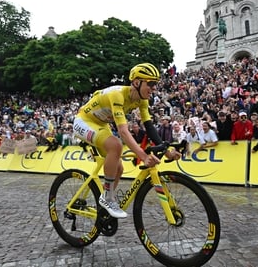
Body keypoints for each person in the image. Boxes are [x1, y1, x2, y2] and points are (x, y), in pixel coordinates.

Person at [72, 63, 181, 219]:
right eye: (150, 83)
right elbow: (123, 131)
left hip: (101, 124)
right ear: (136, 82)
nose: (153, 88)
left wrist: (167, 151)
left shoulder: (143, 100)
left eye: (155, 84)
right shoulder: (118, 95)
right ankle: (108, 197)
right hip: (84, 121)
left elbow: (149, 127)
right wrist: (143, 156)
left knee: (119, 169)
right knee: (116, 145)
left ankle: (105, 198)